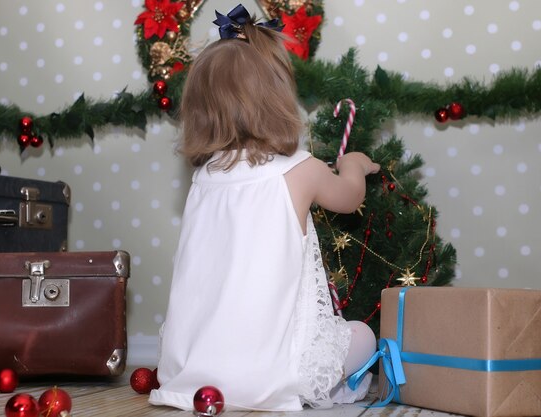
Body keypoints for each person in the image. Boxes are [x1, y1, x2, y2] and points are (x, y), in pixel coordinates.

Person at [148, 4, 380, 412]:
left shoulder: (204, 178)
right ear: (278, 99)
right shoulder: (299, 170)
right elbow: (349, 198)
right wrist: (353, 165)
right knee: (362, 337)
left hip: (192, 371)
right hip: (275, 373)